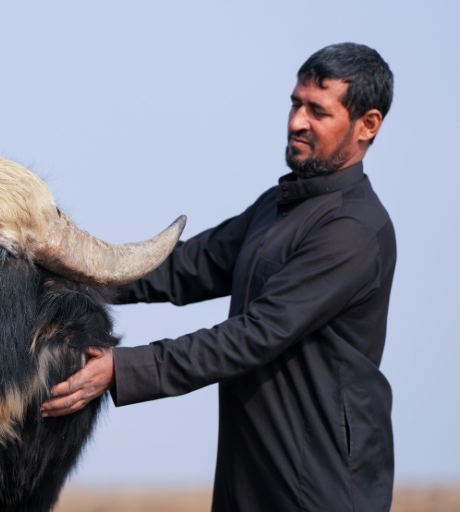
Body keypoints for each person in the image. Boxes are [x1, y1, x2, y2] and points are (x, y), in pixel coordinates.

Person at [41, 42, 396, 511]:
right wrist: (59, 274)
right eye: (295, 103)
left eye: (317, 111)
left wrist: (121, 370)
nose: (296, 122)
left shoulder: (352, 230)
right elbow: (183, 268)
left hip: (322, 484)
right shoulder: (278, 206)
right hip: (248, 474)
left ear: (367, 125)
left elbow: (255, 336)